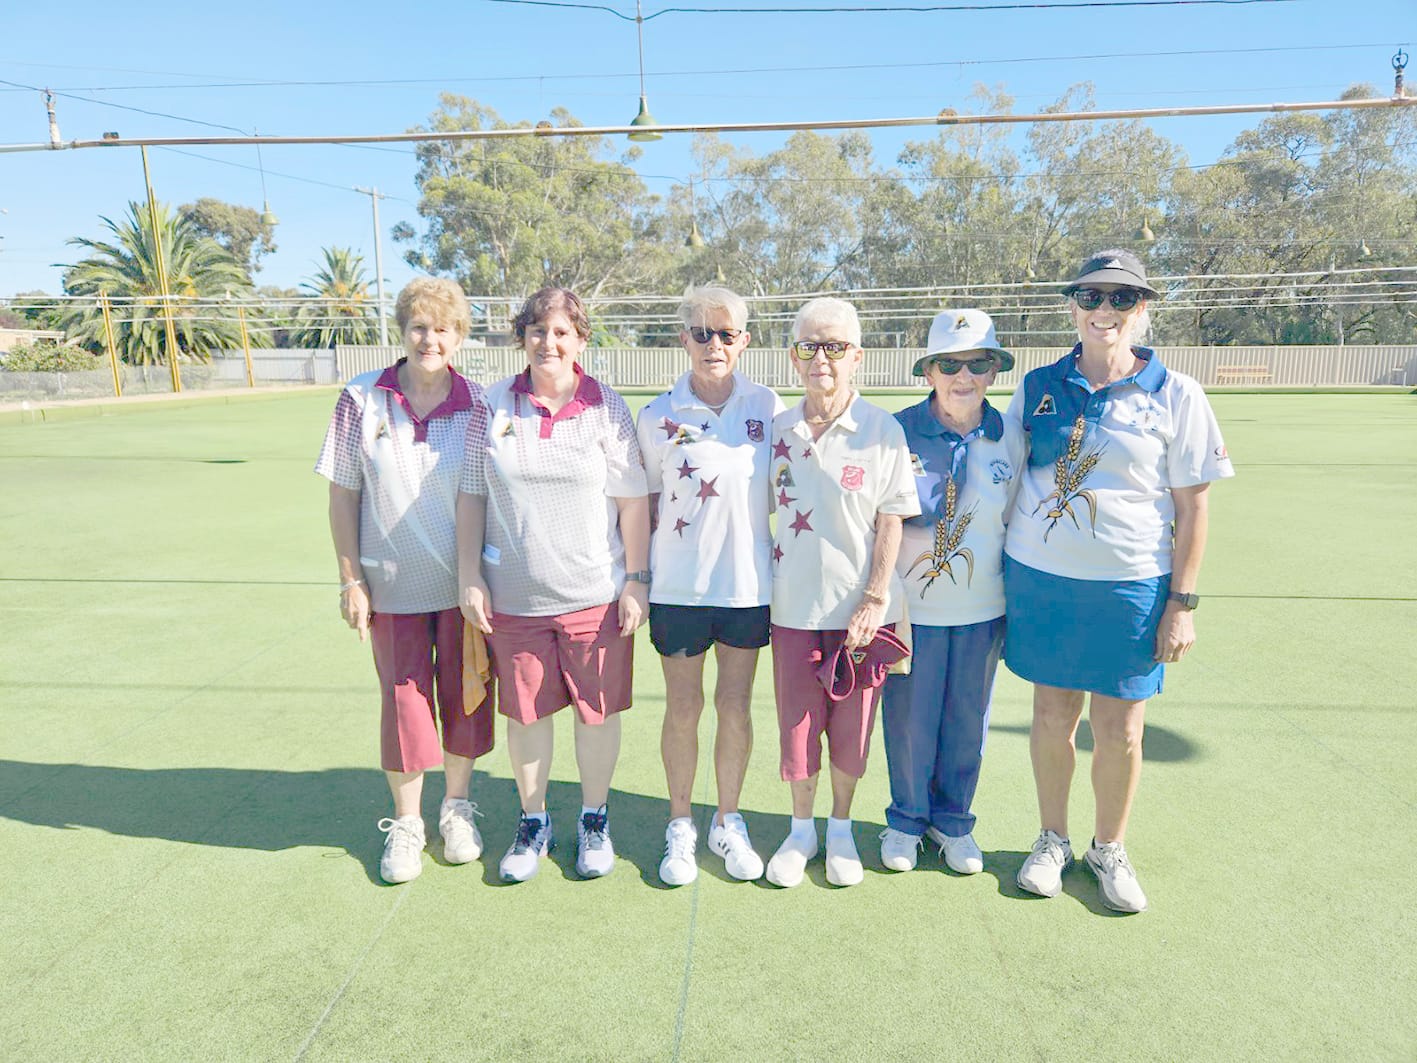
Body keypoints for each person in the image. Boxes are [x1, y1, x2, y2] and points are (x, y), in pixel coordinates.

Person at [1004, 249, 1234, 913]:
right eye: (1090, 296)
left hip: (1130, 588)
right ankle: (1052, 840)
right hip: (1043, 581)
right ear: (1072, 306)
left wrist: (1181, 605)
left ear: (1142, 310)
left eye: (1120, 298)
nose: (1103, 310)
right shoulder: (1037, 385)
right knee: (1050, 716)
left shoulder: (1175, 392)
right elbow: (1007, 478)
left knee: (1121, 730)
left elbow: (1192, 508)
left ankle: (1108, 848)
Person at [457, 287, 649, 883]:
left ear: (581, 340)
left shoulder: (607, 407)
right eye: (538, 331)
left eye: (562, 332)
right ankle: (533, 821)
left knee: (596, 714)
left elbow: (633, 503)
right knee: (527, 716)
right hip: (514, 599)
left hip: (594, 594)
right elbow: (471, 494)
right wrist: (468, 575)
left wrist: (636, 580)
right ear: (523, 338)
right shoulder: (491, 405)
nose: (549, 342)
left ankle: (594, 820)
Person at [315, 277, 494, 885]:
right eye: (420, 326)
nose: (430, 339)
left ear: (459, 337)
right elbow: (343, 494)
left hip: (466, 587)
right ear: (403, 331)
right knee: (403, 705)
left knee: (466, 697)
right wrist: (350, 580)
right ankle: (409, 824)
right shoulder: (360, 398)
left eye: (443, 328)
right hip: (390, 589)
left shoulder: (480, 404)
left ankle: (457, 810)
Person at [765, 297, 920, 888]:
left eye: (834, 347)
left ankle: (839, 828)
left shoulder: (883, 430)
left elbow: (891, 519)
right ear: (793, 355)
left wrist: (875, 596)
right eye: (809, 346)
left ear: (857, 355)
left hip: (862, 614)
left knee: (853, 729)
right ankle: (800, 828)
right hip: (792, 608)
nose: (821, 359)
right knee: (799, 726)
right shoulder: (778, 430)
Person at [635, 285, 784, 886]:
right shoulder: (655, 416)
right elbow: (643, 503)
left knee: (735, 707)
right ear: (683, 340)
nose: (713, 344)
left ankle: (727, 819)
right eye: (701, 333)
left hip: (748, 589)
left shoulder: (770, 407)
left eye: (726, 334)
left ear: (744, 341)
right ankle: (680, 826)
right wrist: (638, 579)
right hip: (678, 590)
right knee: (683, 707)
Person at [879, 309, 1025, 876]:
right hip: (913, 611)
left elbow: (1016, 516)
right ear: (928, 371)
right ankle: (905, 821)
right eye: (948, 365)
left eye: (977, 364)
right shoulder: (896, 430)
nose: (963, 377)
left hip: (983, 607)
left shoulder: (1011, 434)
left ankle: (954, 822)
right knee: (911, 721)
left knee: (969, 717)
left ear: (993, 370)